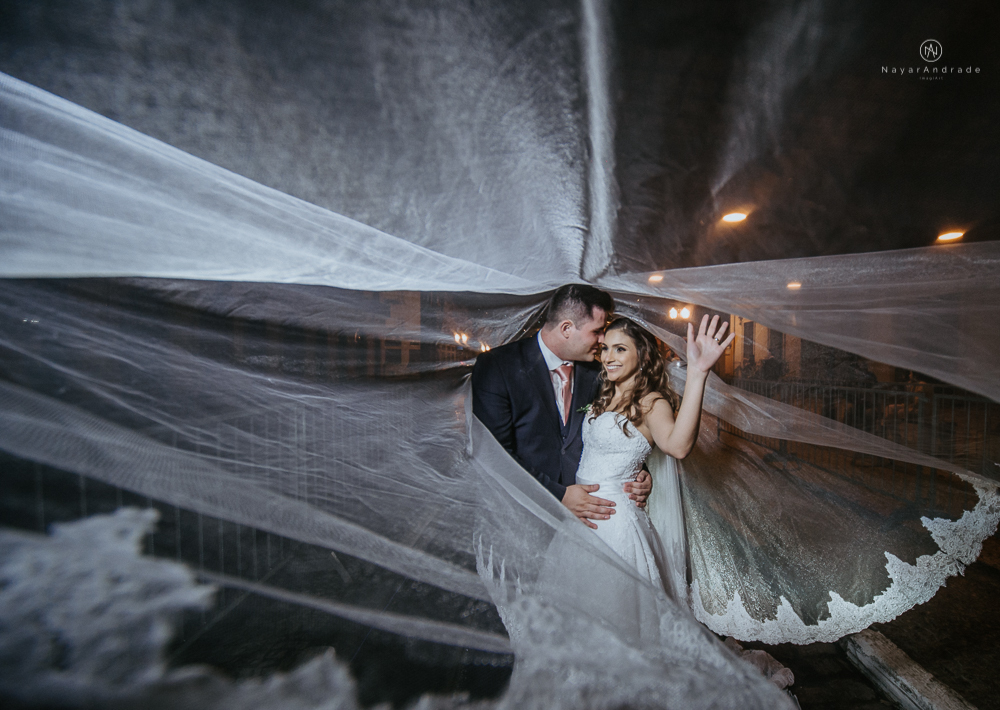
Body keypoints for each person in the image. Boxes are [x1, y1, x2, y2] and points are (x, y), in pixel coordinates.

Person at [472, 284, 652, 527]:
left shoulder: (599, 372)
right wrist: (559, 495)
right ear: (567, 328)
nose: (603, 340)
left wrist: (640, 473)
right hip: (523, 513)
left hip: (591, 516)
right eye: (597, 331)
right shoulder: (498, 366)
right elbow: (492, 453)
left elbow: (623, 427)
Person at [576, 314, 733, 592]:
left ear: (643, 355)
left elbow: (678, 446)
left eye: (620, 349)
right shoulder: (604, 393)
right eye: (606, 348)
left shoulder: (651, 401)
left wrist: (698, 373)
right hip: (580, 516)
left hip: (614, 521)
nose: (608, 357)